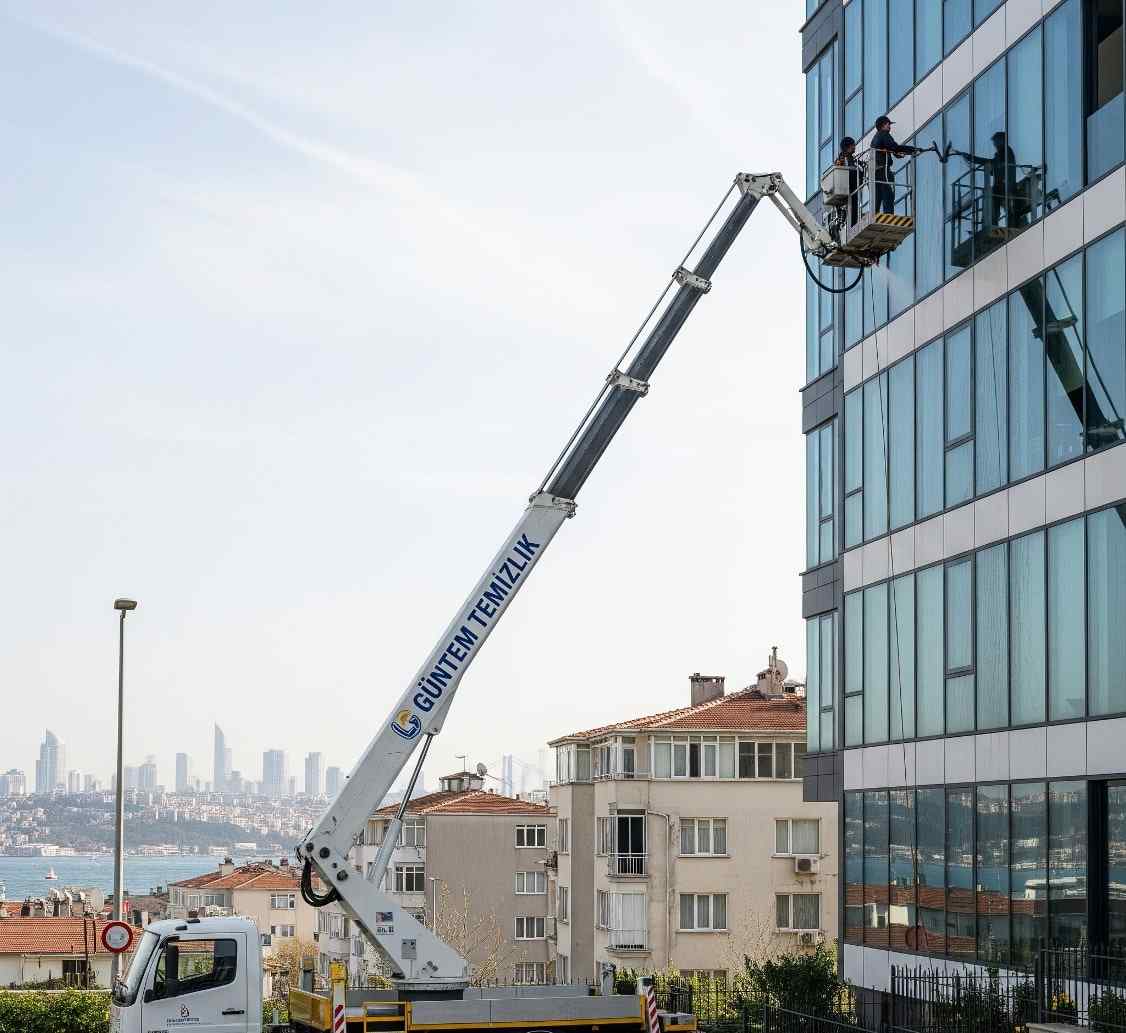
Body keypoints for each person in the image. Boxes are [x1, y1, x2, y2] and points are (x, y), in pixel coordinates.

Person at [870, 115, 918, 215]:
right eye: (888, 124)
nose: (890, 127)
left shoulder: (875, 138)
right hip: (883, 171)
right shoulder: (884, 134)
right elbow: (893, 147)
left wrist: (897, 153)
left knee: (878, 196)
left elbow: (889, 149)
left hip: (875, 172)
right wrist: (912, 149)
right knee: (888, 194)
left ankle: (875, 214)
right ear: (883, 125)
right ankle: (888, 214)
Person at [835, 136, 860, 226]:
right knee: (851, 210)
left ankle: (852, 224)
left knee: (853, 209)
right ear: (848, 146)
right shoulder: (842, 159)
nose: (854, 147)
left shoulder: (850, 158)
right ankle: (851, 225)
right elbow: (842, 173)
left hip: (851, 188)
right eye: (853, 145)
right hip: (847, 189)